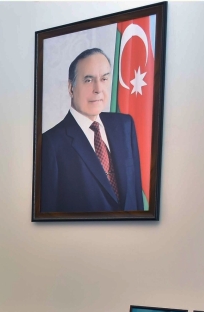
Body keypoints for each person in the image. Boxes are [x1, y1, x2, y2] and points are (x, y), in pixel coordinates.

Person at [40, 48, 145, 213]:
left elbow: (136, 197)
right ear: (71, 88)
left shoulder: (125, 126)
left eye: (104, 79)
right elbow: (48, 215)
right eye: (88, 80)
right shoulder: (50, 144)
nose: (98, 88)